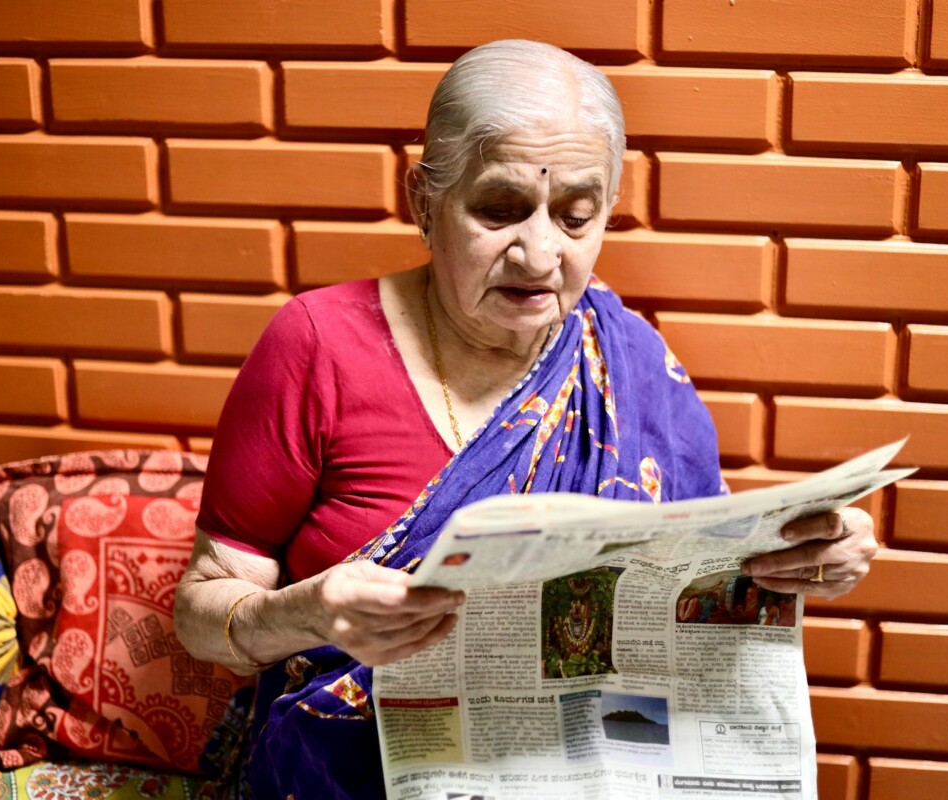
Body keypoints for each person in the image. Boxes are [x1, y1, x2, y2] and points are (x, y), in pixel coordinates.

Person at [173, 39, 878, 799]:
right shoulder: (317, 345)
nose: (539, 255)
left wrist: (797, 563)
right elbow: (201, 613)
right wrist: (301, 613)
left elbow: (692, 580)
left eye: (576, 216)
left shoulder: (632, 362)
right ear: (422, 200)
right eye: (500, 209)